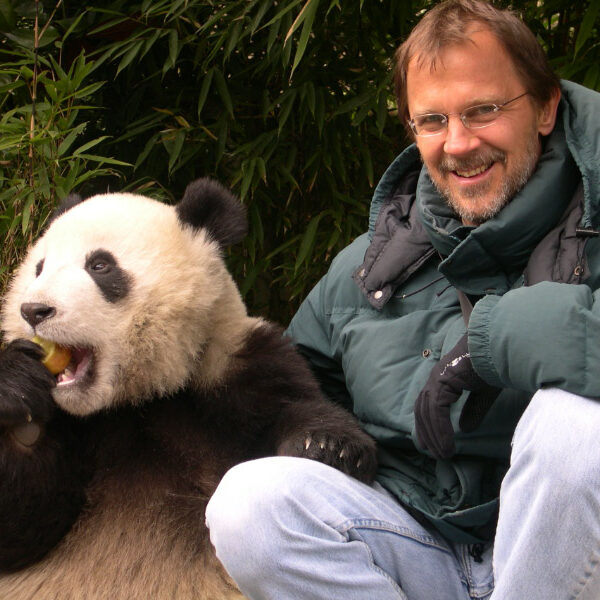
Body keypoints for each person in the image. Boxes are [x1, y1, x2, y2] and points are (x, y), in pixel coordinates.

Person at [205, 1, 600, 598]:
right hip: (417, 543)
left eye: (483, 110)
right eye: (433, 121)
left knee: (575, 429)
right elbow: (285, 395)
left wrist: (497, 338)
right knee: (251, 503)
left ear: (545, 108)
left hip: (569, 563)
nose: (459, 143)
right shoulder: (366, 265)